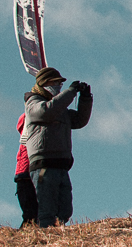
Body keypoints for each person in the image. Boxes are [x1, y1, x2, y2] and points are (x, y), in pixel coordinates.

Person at [22, 66, 92, 227]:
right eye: (54, 83)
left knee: (65, 209)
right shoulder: (33, 103)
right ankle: (46, 239)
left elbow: (80, 120)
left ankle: (57, 235)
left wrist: (85, 98)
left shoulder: (59, 108)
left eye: (60, 84)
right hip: (43, 165)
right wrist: (70, 92)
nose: (58, 87)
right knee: (47, 210)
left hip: (61, 165)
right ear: (43, 84)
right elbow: (45, 112)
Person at [14, 114, 38, 226]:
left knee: (31, 215)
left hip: (23, 172)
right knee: (32, 215)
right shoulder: (28, 118)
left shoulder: (26, 118)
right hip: (27, 172)